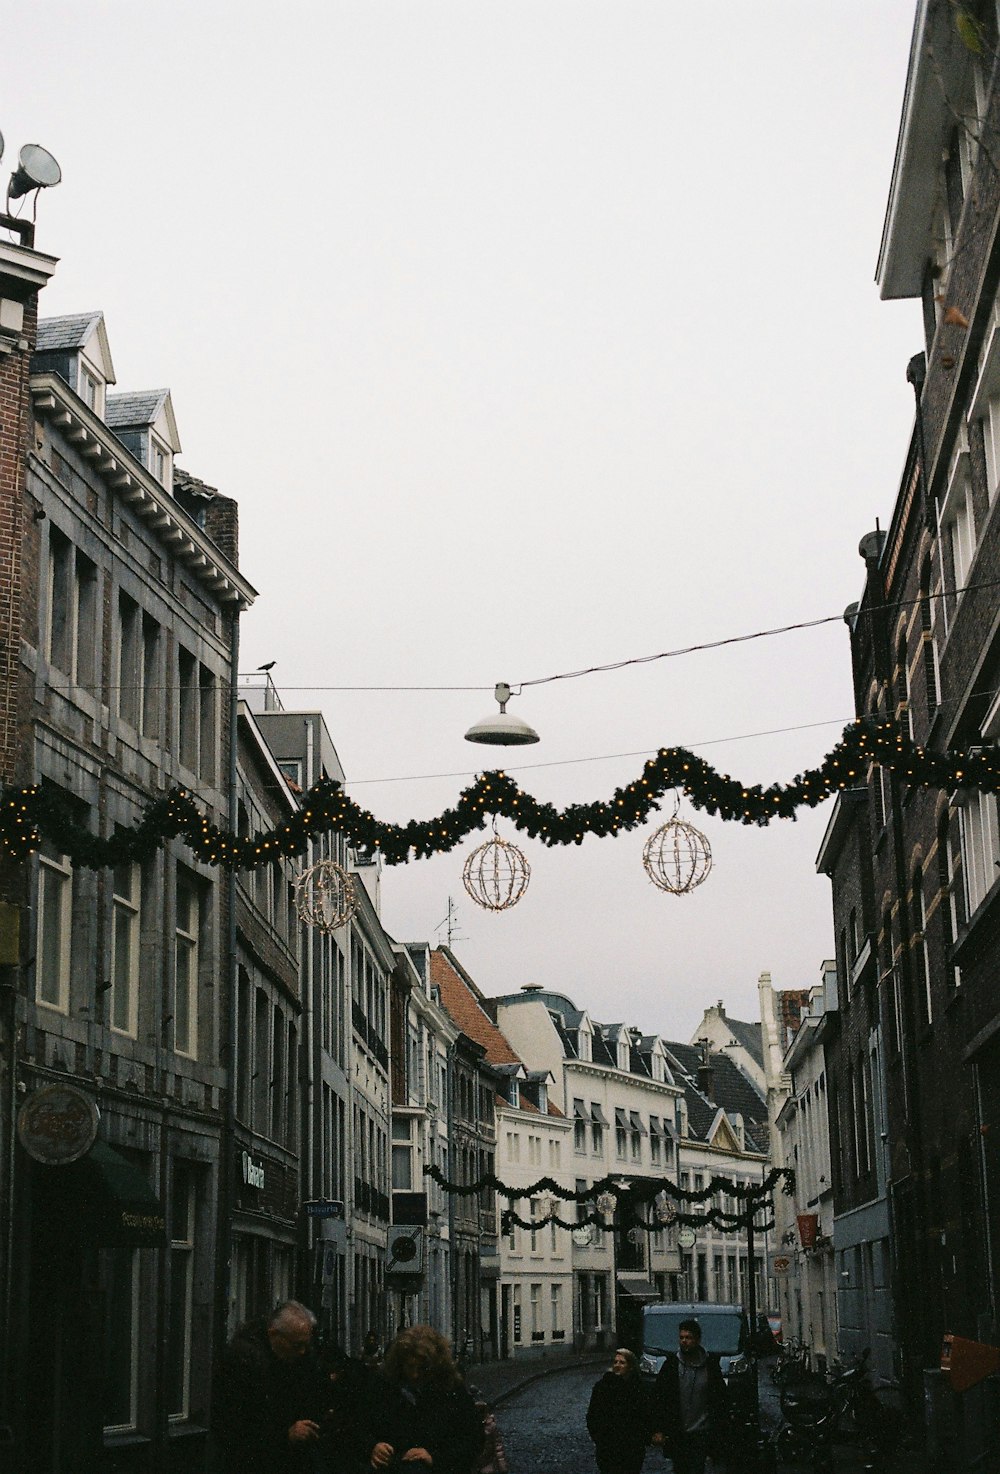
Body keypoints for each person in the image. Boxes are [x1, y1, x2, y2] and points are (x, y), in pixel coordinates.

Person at [211, 1299, 323, 1474]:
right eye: (296, 1345)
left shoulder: (298, 1360)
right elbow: (235, 1426)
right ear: (274, 1334)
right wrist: (285, 1435)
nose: (302, 1351)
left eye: (305, 1345)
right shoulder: (243, 1364)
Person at [365, 1324, 484, 1472]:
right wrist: (373, 1447)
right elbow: (361, 1426)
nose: (415, 1374)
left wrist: (434, 1457)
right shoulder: (384, 1387)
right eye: (410, 1367)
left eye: (422, 1368)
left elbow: (473, 1439)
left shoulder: (450, 1389)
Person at [650, 1318, 730, 1474]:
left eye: (688, 1337)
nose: (684, 1341)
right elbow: (659, 1398)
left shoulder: (710, 1366)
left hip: (701, 1431)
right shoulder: (671, 1365)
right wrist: (657, 1429)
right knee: (680, 1468)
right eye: (681, 1337)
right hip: (678, 1431)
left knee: (696, 1467)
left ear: (697, 1340)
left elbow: (720, 1397)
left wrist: (720, 1427)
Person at [586, 1348, 652, 1474]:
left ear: (631, 1366)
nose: (617, 1365)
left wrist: (641, 1438)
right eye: (615, 1362)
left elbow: (645, 1415)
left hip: (632, 1449)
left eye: (622, 1363)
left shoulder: (638, 1388)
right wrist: (600, 1439)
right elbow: (593, 1415)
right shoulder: (602, 1387)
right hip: (608, 1448)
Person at [471, 1389, 509, 1474]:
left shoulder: (490, 1425)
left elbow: (497, 1445)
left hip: (486, 1464)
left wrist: (502, 1464)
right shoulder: (473, 1426)